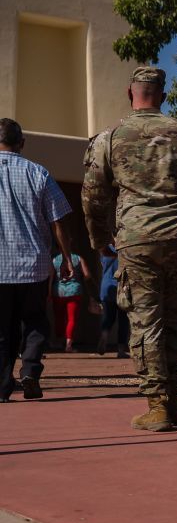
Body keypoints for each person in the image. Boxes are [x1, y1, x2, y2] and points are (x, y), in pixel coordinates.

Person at [82, 66, 177, 430]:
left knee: (146, 322)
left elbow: (94, 195)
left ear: (131, 93)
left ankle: (157, 403)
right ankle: (173, 400)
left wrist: (101, 241)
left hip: (138, 239)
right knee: (176, 318)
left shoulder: (109, 137)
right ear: (163, 95)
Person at [0, 118, 76, 402]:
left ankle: (2, 386)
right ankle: (30, 371)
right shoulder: (38, 173)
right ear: (22, 143)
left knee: (2, 330)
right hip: (34, 266)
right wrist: (67, 258)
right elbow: (59, 221)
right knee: (34, 322)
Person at [51, 250, 94, 352]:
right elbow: (87, 274)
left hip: (58, 291)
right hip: (75, 290)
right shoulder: (78, 258)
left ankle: (58, 342)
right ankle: (68, 345)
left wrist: (48, 292)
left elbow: (51, 277)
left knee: (59, 318)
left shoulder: (54, 259)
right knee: (72, 318)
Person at [97, 245, 130, 358]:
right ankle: (121, 350)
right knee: (123, 320)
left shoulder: (104, 250)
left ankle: (104, 335)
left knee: (108, 317)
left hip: (106, 287)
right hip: (121, 287)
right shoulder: (125, 249)